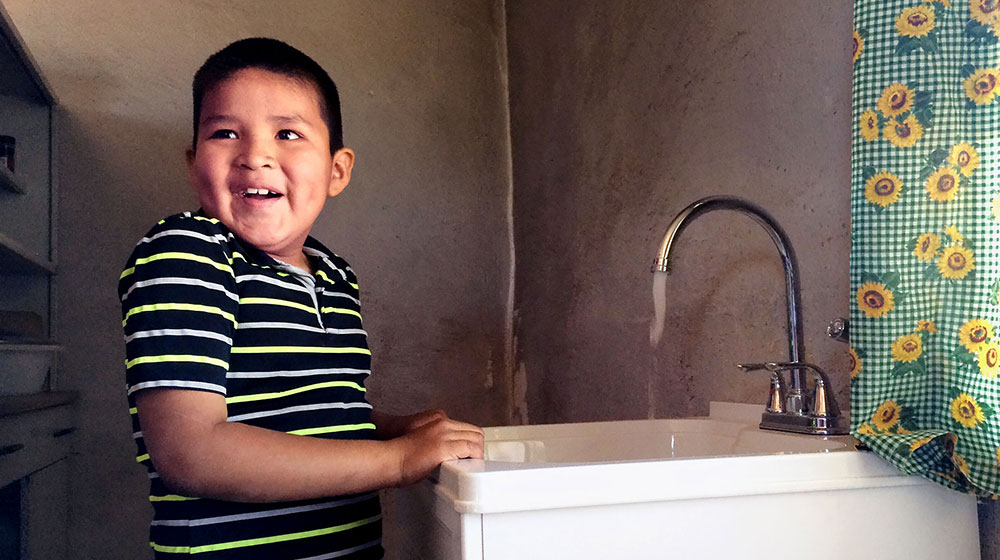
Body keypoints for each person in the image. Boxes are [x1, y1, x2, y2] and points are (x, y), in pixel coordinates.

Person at [118, 37, 484, 559]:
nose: (255, 156)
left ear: (337, 170)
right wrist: (399, 461)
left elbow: (310, 410)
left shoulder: (336, 275)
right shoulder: (188, 251)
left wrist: (391, 429)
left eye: (287, 133)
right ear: (193, 160)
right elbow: (189, 450)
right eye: (225, 133)